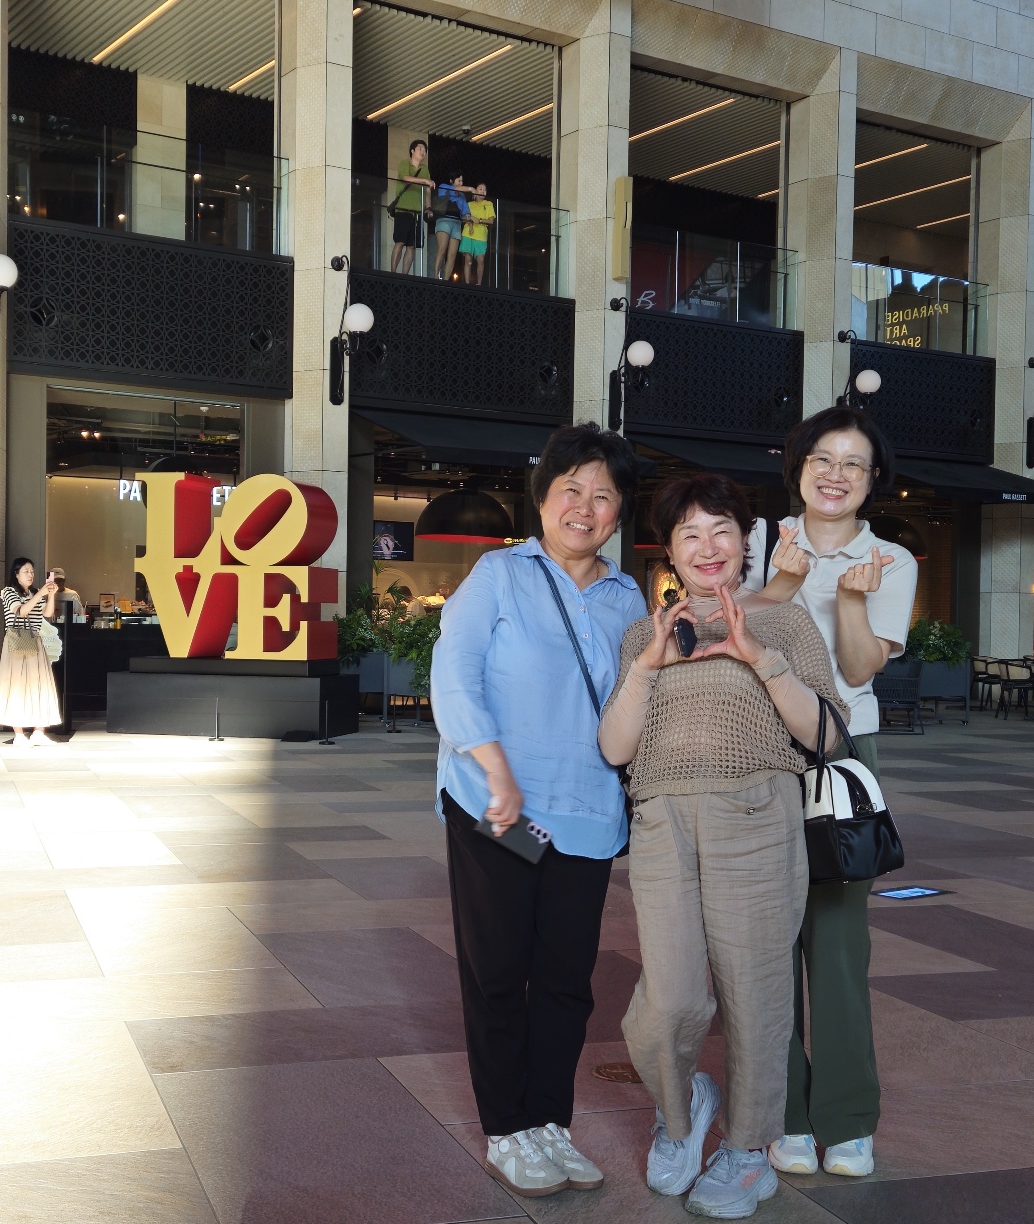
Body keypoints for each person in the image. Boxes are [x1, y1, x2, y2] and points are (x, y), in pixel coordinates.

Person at [599, 473, 847, 1219]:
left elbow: (829, 735)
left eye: (721, 531)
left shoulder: (786, 624)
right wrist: (647, 667)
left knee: (756, 993)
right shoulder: (642, 634)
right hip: (662, 824)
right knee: (668, 999)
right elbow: (614, 749)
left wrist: (758, 658)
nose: (707, 547)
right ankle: (681, 1114)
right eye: (690, 534)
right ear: (669, 551)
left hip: (757, 817)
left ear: (746, 543)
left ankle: (747, 1152)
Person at [431, 422, 643, 1199]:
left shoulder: (628, 599)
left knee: (566, 980)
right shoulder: (498, 575)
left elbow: (636, 703)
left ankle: (549, 1122)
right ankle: (505, 1129)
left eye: (603, 495)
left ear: (618, 513)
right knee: (498, 971)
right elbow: (454, 676)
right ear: (544, 497)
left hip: (585, 813)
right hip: (502, 809)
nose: (584, 508)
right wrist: (497, 772)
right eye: (571, 490)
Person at [742, 406, 918, 1181]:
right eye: (822, 457)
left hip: (843, 752)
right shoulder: (756, 541)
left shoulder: (892, 559)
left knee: (840, 945)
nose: (835, 474)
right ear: (798, 466)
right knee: (764, 942)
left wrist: (849, 600)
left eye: (853, 463)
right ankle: (785, 1112)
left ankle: (847, 1119)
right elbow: (729, 633)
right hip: (757, 748)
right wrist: (782, 583)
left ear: (874, 479)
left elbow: (857, 669)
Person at [0, 558, 61, 747]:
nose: (30, 575)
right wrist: (40, 594)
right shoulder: (8, 592)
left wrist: (51, 595)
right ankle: (19, 734)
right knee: (16, 686)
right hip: (16, 641)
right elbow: (20, 611)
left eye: (32, 571)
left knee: (40, 685)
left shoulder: (34, 592)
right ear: (16, 574)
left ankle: (39, 732)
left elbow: (47, 614)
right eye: (26, 571)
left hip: (35, 640)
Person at [389, 139, 433, 274]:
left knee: (411, 246)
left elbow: (428, 190)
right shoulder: (404, 163)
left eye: (425, 150)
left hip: (417, 212)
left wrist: (428, 207)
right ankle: (393, 273)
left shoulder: (425, 169)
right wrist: (424, 180)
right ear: (412, 151)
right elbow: (405, 178)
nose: (423, 152)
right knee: (400, 242)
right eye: (420, 149)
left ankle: (404, 275)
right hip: (403, 209)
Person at [433, 174, 469, 279]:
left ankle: (445, 280)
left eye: (462, 181)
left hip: (457, 223)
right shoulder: (444, 186)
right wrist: (470, 189)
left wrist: (468, 216)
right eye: (459, 180)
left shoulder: (462, 195)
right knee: (442, 250)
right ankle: (435, 277)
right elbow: (454, 189)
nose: (461, 183)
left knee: (452, 255)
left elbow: (466, 211)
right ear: (451, 180)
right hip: (444, 220)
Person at [460, 183, 495, 285]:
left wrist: (479, 220)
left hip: (481, 235)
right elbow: (463, 217)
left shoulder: (488, 204)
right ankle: (467, 284)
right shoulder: (469, 204)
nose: (483, 191)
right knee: (468, 259)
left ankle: (479, 284)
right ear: (475, 191)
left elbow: (491, 221)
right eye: (480, 189)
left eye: (484, 190)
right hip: (468, 233)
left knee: (481, 259)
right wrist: (470, 219)